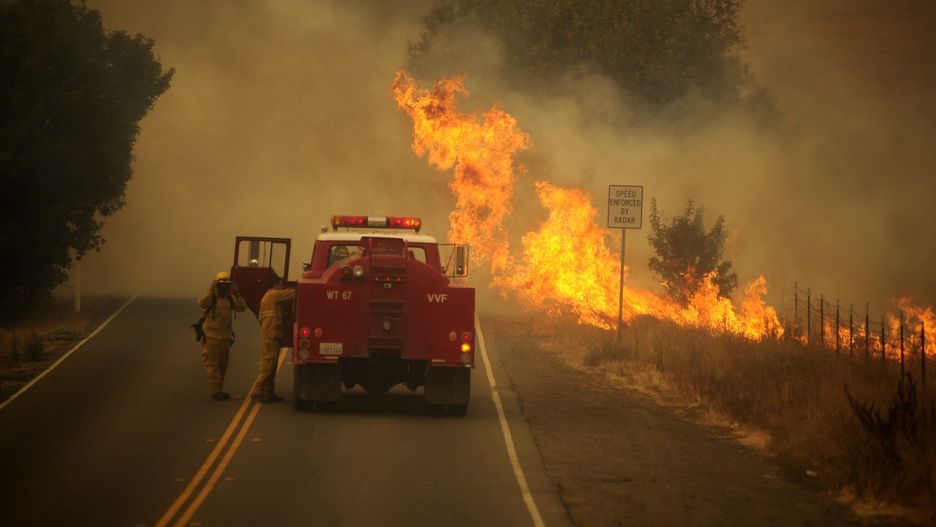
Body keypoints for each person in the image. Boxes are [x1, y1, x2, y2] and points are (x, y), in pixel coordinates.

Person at [197, 271, 246, 401]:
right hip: (211, 336)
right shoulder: (211, 297)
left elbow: (242, 307)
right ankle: (216, 391)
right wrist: (212, 288)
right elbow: (202, 303)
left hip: (224, 337)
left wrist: (237, 292)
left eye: (226, 284)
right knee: (213, 365)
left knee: (223, 365)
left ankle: (219, 389)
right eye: (221, 284)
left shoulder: (229, 299)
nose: (224, 287)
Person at [249, 276, 295, 403]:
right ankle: (257, 390)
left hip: (272, 335)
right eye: (281, 284)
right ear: (274, 285)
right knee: (268, 365)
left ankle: (268, 392)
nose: (282, 287)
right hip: (270, 336)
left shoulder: (270, 299)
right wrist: (303, 286)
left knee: (273, 366)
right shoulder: (273, 295)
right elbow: (290, 293)